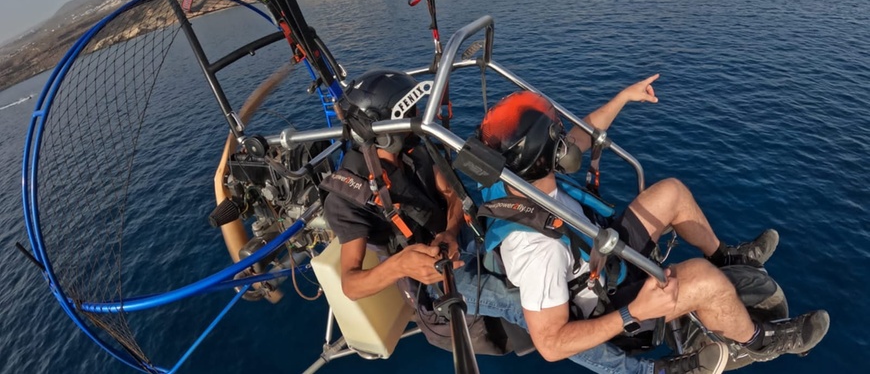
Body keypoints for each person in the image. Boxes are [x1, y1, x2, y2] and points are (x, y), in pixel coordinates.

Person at [321, 68, 715, 374]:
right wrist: (401, 264)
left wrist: (451, 230)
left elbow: (451, 194)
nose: (415, 125)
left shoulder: (415, 148)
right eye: (406, 118)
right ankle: (647, 369)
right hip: (434, 281)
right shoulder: (347, 197)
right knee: (540, 321)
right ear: (384, 131)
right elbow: (352, 285)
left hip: (465, 241)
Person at [473, 80, 830, 373]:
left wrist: (624, 97)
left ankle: (727, 256)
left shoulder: (512, 176)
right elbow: (551, 344)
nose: (566, 139)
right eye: (557, 136)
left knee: (671, 192)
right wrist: (635, 312)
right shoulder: (539, 250)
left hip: (600, 252)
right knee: (703, 279)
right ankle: (760, 341)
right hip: (609, 302)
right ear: (543, 155)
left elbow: (585, 132)